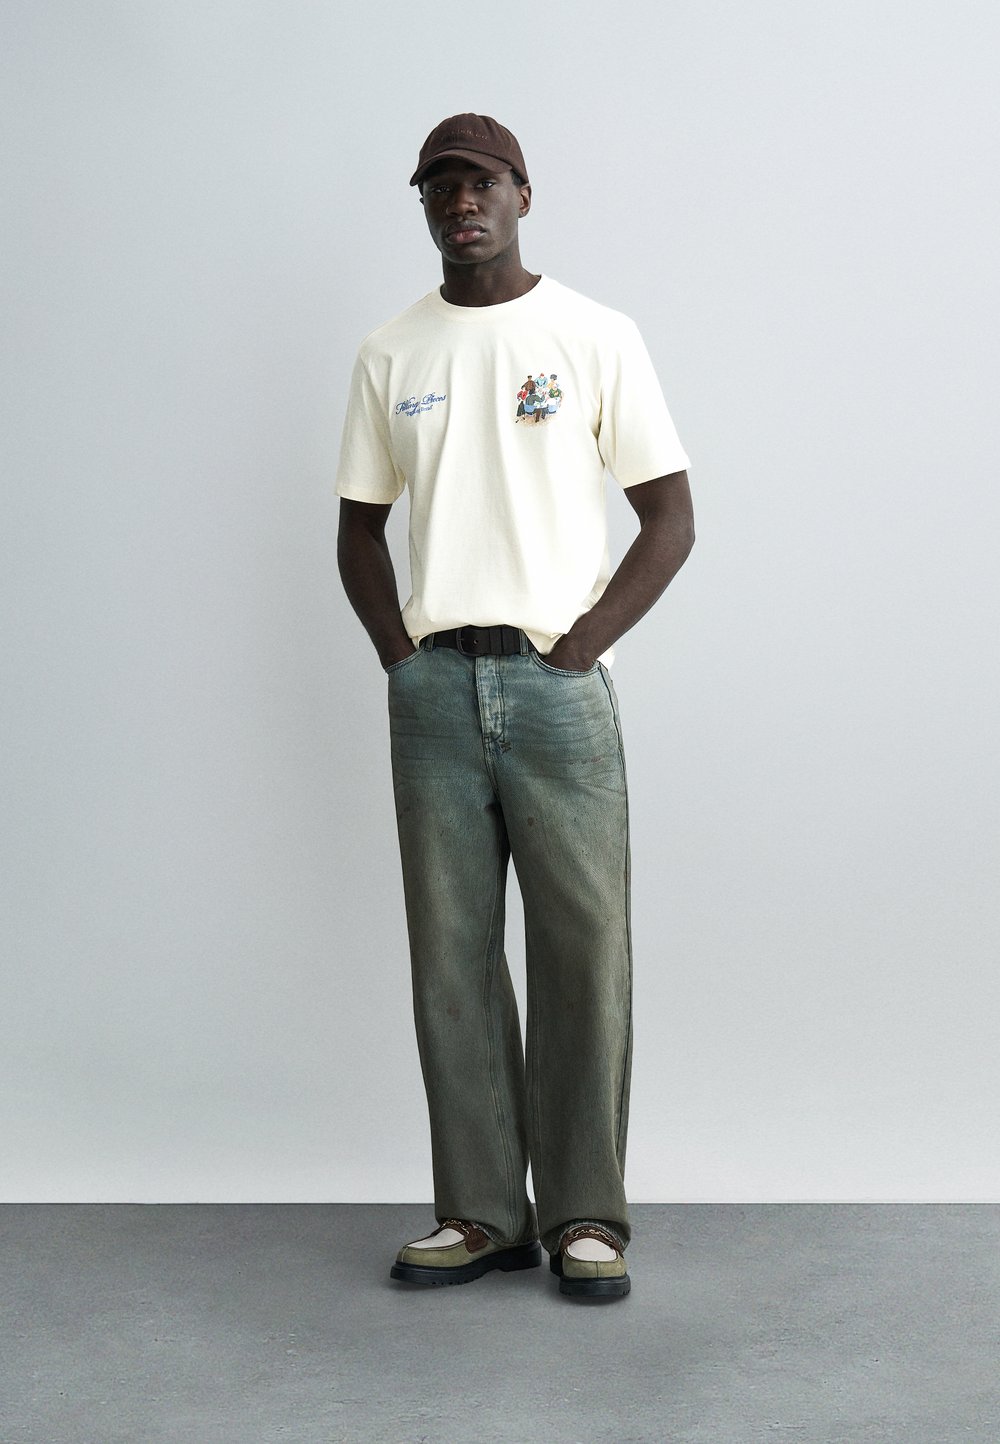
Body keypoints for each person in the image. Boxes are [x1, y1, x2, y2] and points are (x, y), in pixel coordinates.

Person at [336, 113, 694, 1300]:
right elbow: (356, 530)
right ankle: (483, 1212)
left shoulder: (593, 335)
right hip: (434, 690)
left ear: (522, 194)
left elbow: (670, 517)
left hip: (555, 688)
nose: (461, 204)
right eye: (439, 188)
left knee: (582, 948)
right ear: (424, 206)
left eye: (480, 183)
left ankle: (587, 1214)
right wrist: (401, 657)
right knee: (450, 952)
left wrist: (578, 646)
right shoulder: (392, 352)